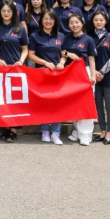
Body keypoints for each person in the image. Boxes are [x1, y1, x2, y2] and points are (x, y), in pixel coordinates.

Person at [0, 1, 28, 143]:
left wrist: (21, 61)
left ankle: (14, 129)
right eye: (3, 11)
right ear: (0, 13)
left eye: (9, 11)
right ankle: (6, 127)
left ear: (13, 13)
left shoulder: (20, 28)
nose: (6, 13)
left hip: (16, 68)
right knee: (2, 99)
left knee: (15, 99)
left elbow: (25, 49)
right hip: (0, 68)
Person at [28, 10, 66, 145]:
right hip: (41, 73)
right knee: (43, 103)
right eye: (45, 19)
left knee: (57, 104)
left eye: (51, 19)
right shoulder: (35, 36)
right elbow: (31, 54)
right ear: (41, 20)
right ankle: (44, 131)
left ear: (55, 21)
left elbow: (64, 53)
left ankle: (56, 133)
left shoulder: (61, 36)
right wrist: (44, 63)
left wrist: (62, 62)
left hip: (57, 74)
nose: (48, 21)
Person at [62, 14, 97, 146]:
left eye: (77, 22)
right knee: (74, 103)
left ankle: (86, 135)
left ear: (82, 23)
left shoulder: (88, 39)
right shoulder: (66, 38)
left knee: (86, 103)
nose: (74, 25)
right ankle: (78, 131)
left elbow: (92, 58)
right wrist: (68, 54)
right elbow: (62, 52)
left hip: (84, 72)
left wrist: (93, 75)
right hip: (70, 73)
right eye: (71, 23)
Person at [89, 10, 110, 145]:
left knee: (109, 106)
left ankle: (109, 133)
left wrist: (101, 72)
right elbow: (88, 57)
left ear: (106, 21)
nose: (99, 22)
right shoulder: (89, 37)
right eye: (96, 20)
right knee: (98, 105)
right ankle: (102, 131)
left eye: (101, 20)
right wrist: (94, 73)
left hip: (109, 77)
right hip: (94, 77)